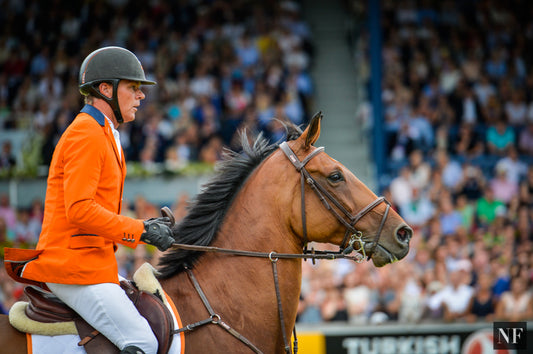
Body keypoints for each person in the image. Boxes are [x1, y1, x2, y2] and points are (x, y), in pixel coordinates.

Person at [4, 47, 175, 354]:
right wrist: (141, 230)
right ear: (105, 89)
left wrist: (145, 226)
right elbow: (80, 210)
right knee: (144, 343)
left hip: (93, 264)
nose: (141, 96)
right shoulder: (87, 134)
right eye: (133, 88)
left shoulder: (105, 132)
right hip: (73, 267)